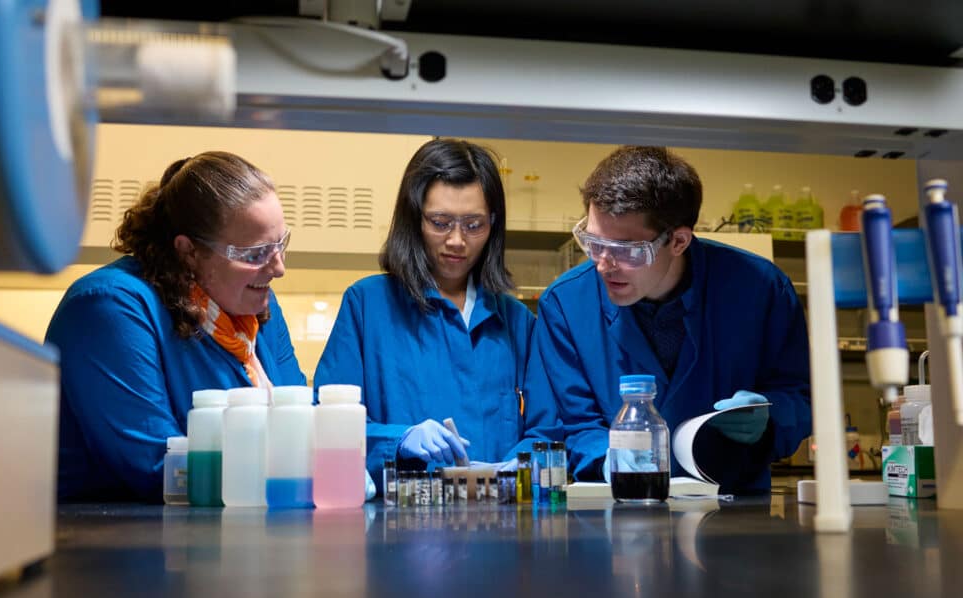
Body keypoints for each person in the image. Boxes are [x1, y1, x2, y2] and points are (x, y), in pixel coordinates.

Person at [535, 146, 810, 494]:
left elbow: (800, 398)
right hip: (618, 513)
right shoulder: (565, 304)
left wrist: (770, 419)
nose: (603, 264)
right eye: (593, 242)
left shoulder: (761, 290)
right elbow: (572, 422)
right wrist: (609, 461)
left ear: (678, 240)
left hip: (734, 514)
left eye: (626, 250)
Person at [46, 151, 305, 502]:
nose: (278, 268)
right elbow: (156, 467)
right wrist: (296, 470)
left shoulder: (255, 309)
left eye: (280, 245)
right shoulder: (109, 307)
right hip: (116, 544)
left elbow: (302, 423)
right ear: (188, 252)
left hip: (230, 527)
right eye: (255, 254)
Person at [314, 138, 556, 492]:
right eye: (440, 222)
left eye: (474, 225)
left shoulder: (517, 322)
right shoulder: (367, 305)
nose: (457, 241)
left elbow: (547, 431)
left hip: (497, 526)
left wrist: (517, 465)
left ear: (493, 225)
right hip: (396, 527)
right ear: (415, 220)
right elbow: (327, 424)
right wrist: (398, 439)